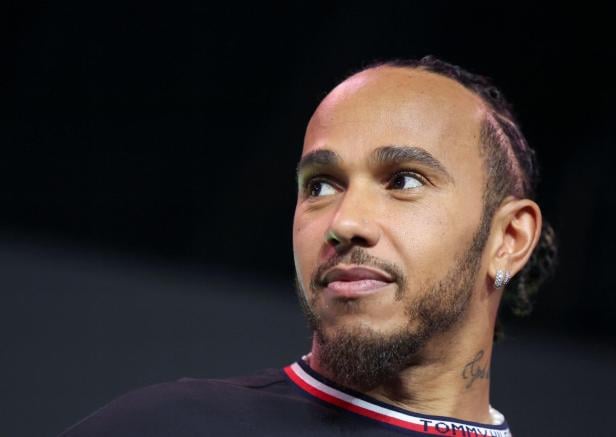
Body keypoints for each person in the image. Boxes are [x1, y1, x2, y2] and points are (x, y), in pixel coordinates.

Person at [59, 56, 557, 436]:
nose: (345, 222)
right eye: (320, 185)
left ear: (508, 240)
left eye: (404, 180)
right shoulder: (166, 426)